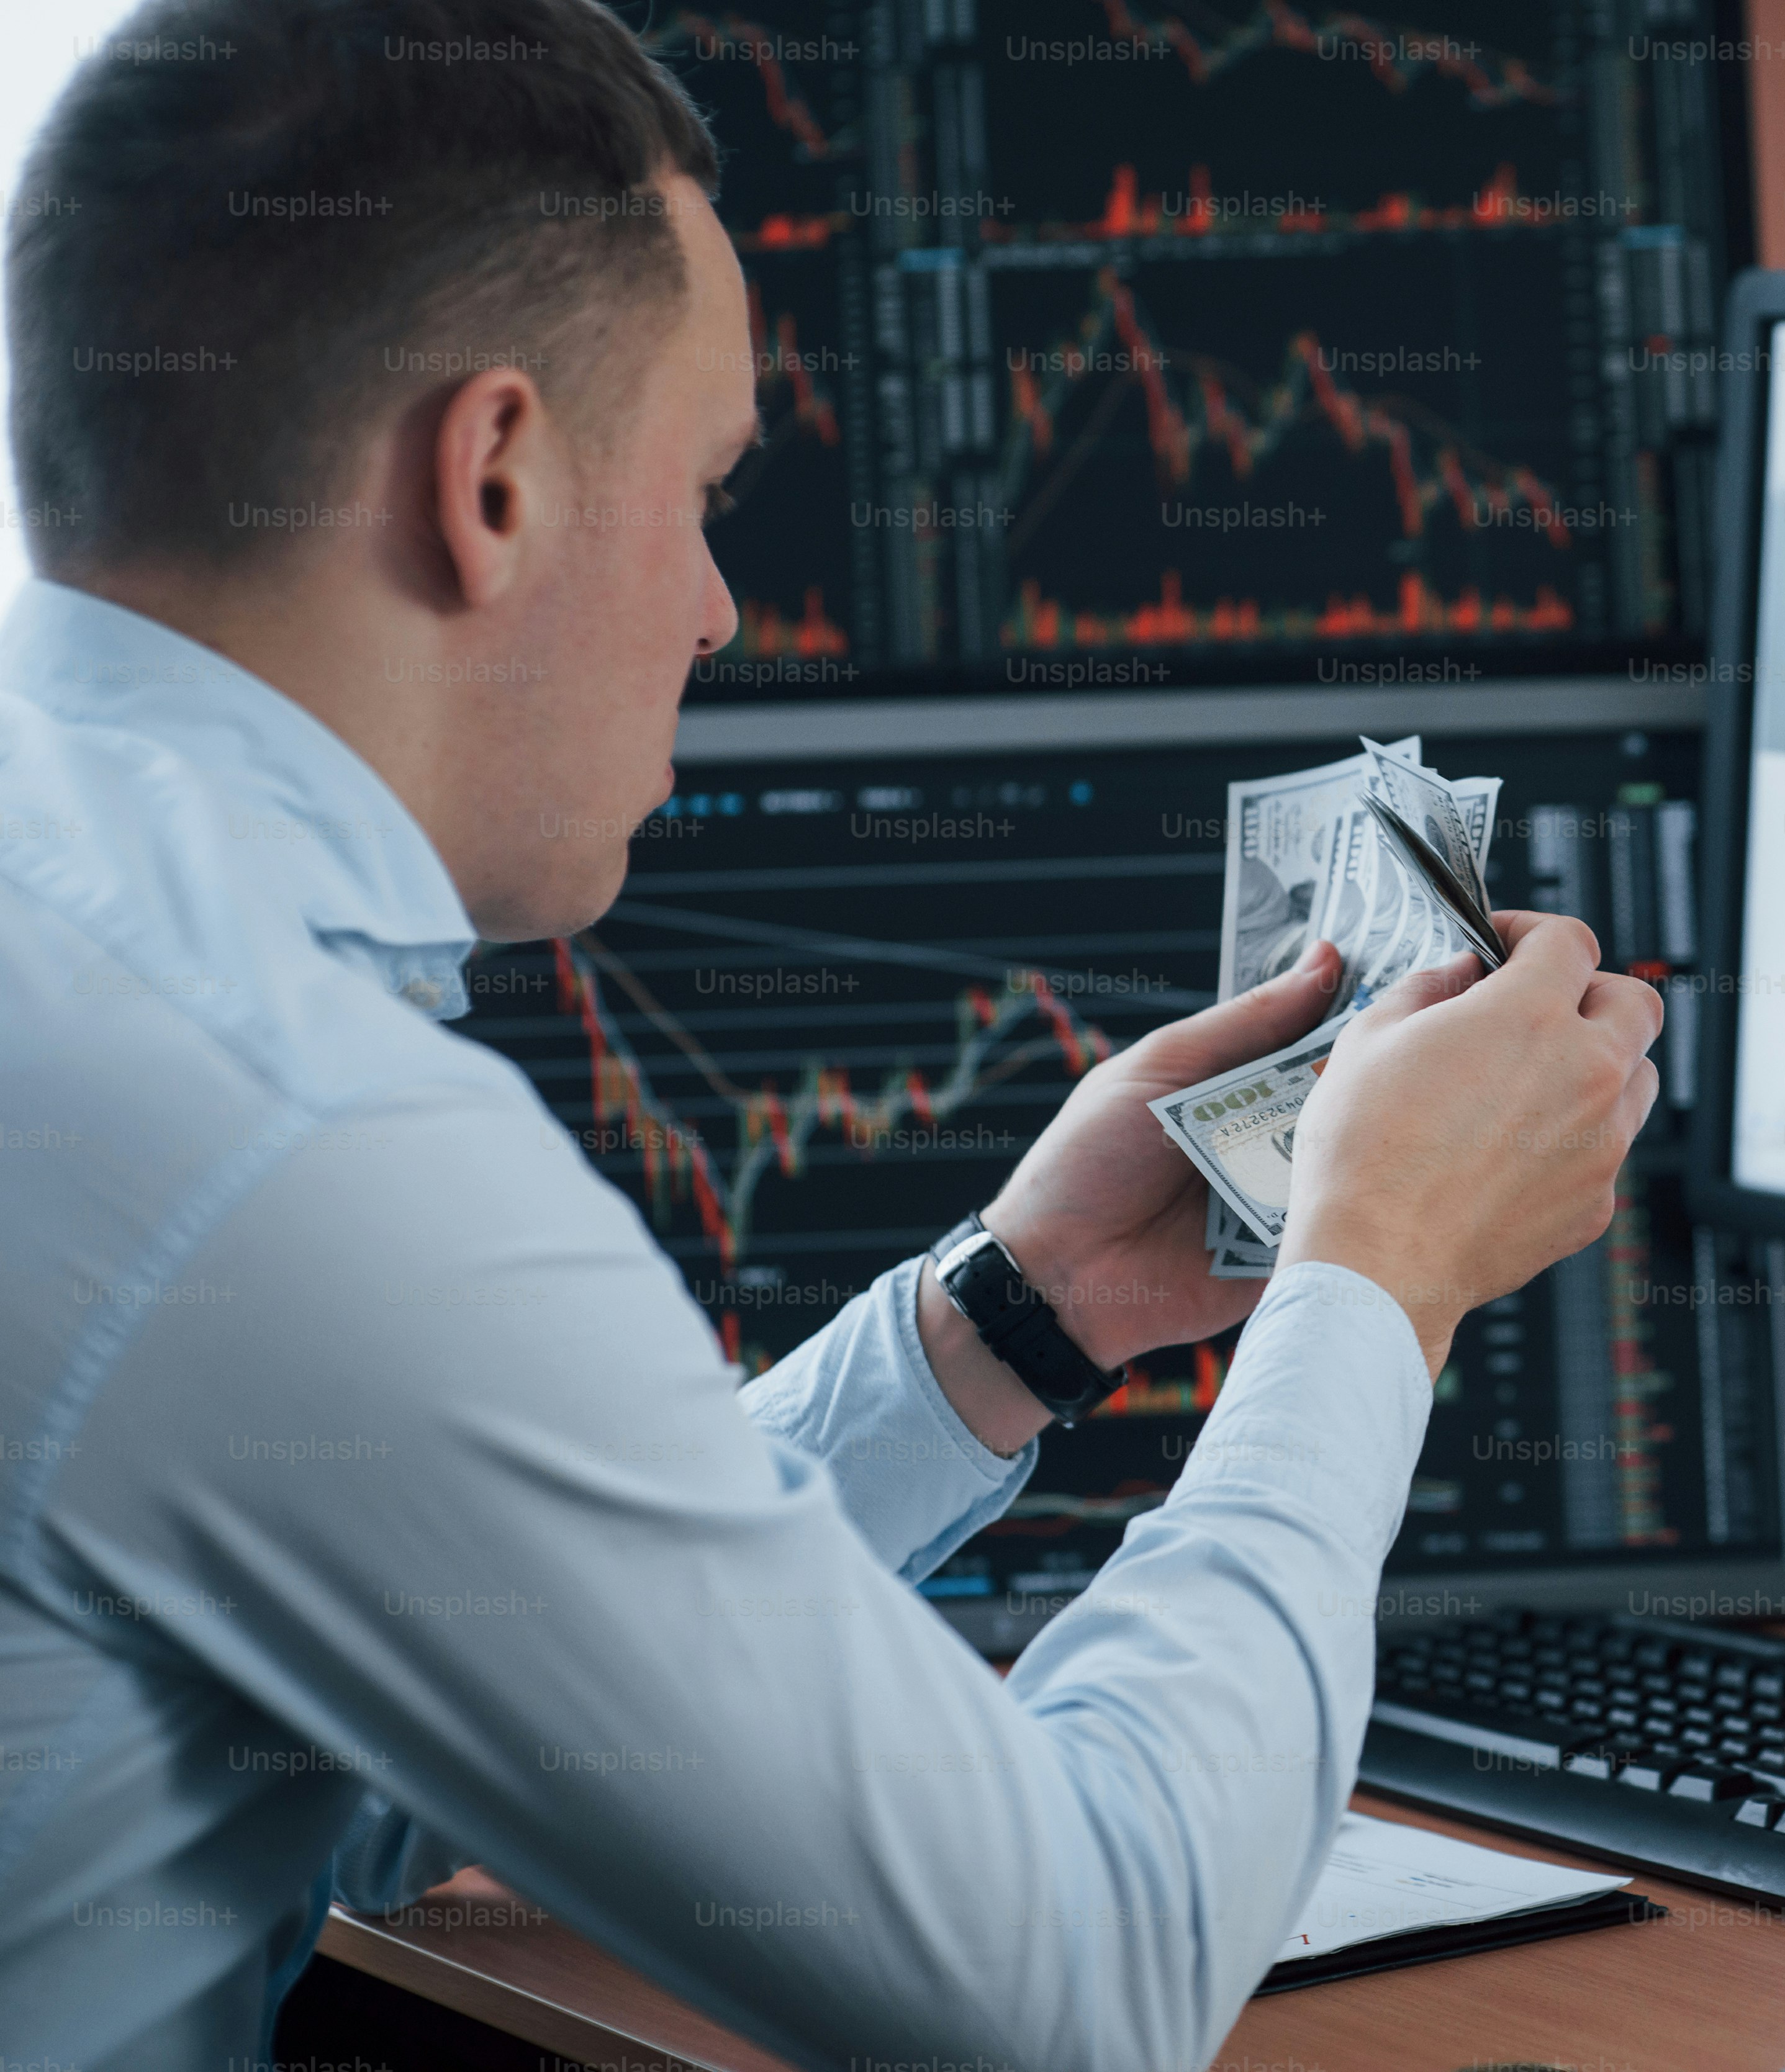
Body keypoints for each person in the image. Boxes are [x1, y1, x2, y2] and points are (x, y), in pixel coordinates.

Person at [0, 2, 1661, 2065]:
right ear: (492, 476)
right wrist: (1375, 1273)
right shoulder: (279, 1134)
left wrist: (1018, 1313)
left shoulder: (87, 936)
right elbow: (1074, 1977)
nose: (714, 607)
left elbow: (377, 1768)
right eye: (703, 491)